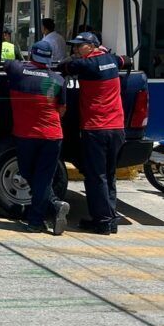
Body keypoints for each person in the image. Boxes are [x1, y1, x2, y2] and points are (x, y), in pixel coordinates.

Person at [62, 31, 127, 235]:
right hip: (117, 128)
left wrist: (73, 59)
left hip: (96, 129)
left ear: (91, 46)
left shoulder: (85, 64)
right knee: (109, 174)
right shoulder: (112, 60)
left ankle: (102, 221)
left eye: (79, 46)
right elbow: (125, 60)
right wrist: (106, 52)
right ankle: (111, 218)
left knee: (95, 176)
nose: (75, 50)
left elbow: (64, 66)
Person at [4, 41, 71, 235]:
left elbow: (7, 63)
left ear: (31, 54)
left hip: (25, 135)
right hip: (52, 135)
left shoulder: (17, 70)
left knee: (28, 173)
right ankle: (53, 207)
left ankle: (37, 220)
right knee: (42, 177)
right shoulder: (58, 80)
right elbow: (62, 110)